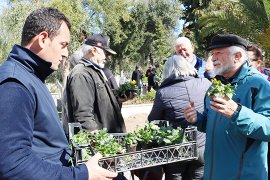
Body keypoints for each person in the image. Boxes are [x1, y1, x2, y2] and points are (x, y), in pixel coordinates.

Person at [0, 7, 117, 180]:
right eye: (63, 45)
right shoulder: (15, 84)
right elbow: (12, 165)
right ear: (43, 39)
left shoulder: (31, 76)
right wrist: (81, 174)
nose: (66, 53)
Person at [184, 34, 270, 179]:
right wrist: (197, 119)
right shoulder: (215, 86)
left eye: (218, 52)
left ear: (237, 56)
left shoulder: (259, 84)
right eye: (212, 54)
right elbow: (213, 125)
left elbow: (268, 128)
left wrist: (237, 113)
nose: (213, 58)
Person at [148, 55, 211, 179]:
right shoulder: (205, 83)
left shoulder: (163, 92)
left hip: (175, 150)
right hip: (202, 146)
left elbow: (153, 120)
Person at [63, 34, 126, 134]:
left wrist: (118, 99)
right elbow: (83, 114)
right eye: (105, 53)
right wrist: (95, 141)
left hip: (108, 140)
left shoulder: (94, 71)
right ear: (94, 51)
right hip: (99, 145)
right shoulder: (81, 73)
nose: (107, 57)